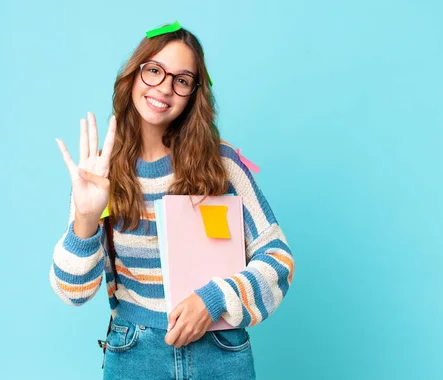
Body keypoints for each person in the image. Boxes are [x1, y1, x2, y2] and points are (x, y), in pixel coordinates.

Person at [51, 23, 295, 380]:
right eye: (153, 71)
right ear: (133, 75)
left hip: (221, 350)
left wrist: (212, 300)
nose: (164, 87)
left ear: (194, 93)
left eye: (181, 79)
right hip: (134, 353)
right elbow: (71, 292)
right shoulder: (101, 171)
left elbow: (278, 260)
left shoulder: (222, 164)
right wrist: (85, 218)